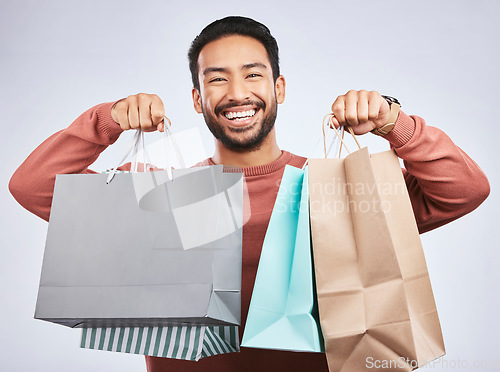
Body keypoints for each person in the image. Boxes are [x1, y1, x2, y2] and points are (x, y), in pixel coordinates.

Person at [9, 16, 489, 372]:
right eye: (216, 79)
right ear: (198, 99)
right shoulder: (161, 195)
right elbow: (30, 187)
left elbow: (464, 191)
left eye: (253, 74)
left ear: (279, 87)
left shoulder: (337, 190)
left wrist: (394, 122)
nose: (237, 92)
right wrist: (106, 120)